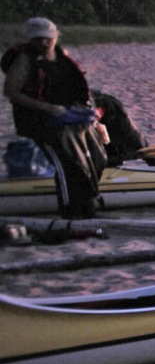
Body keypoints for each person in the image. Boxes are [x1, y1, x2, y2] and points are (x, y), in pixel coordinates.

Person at [2, 17, 107, 218]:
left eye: (47, 38)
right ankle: (71, 212)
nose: (43, 42)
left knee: (97, 157)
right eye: (37, 39)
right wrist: (47, 108)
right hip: (39, 121)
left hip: (71, 119)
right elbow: (11, 92)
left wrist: (93, 118)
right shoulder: (24, 59)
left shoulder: (61, 56)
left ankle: (88, 204)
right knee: (69, 164)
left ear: (55, 36)